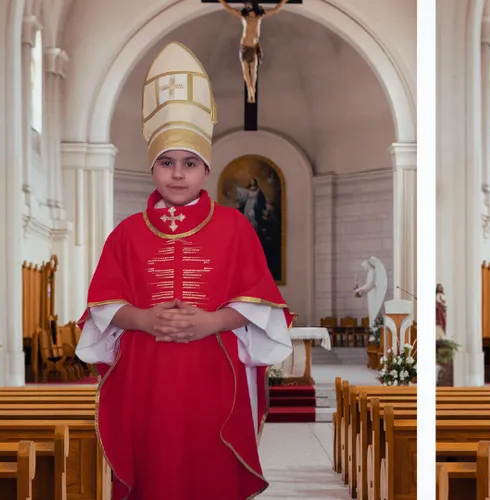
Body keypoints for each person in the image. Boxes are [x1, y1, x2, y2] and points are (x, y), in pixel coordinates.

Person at [75, 42, 295, 500]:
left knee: (206, 473)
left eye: (190, 164)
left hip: (214, 376)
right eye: (167, 163)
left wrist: (214, 320)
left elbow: (263, 303)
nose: (178, 174)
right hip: (145, 379)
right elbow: (102, 307)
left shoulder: (234, 227)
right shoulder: (127, 232)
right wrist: (142, 318)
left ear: (206, 168)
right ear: (152, 167)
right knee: (153, 469)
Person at [218, 0, 290, 103]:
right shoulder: (243, 17)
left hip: (254, 47)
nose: (248, 9)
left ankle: (253, 90)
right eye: (247, 7)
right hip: (244, 46)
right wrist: (221, 1)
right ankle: (249, 90)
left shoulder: (259, 17)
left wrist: (283, 1)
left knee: (253, 68)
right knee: (246, 70)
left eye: (250, 7)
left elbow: (275, 10)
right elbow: (229, 9)